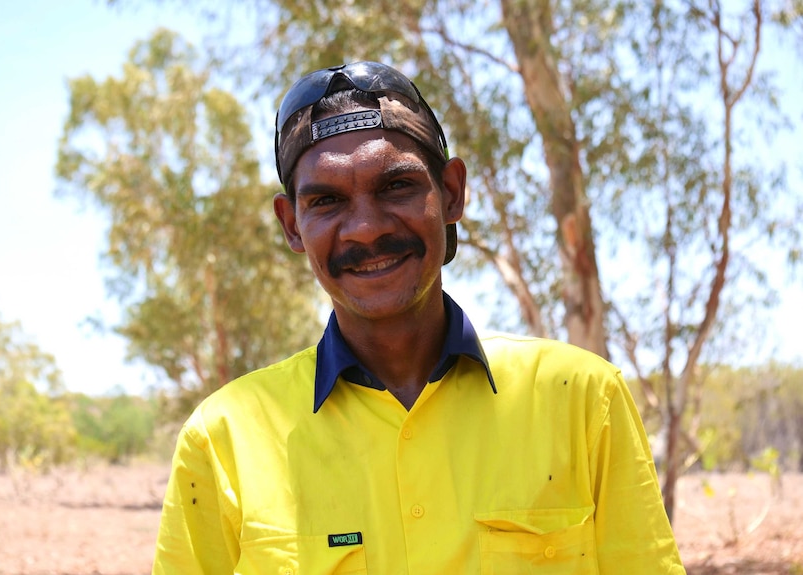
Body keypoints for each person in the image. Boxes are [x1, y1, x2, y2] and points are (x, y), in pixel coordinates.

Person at [153, 61, 686, 574]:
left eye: (396, 186)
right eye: (327, 201)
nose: (364, 229)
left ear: (451, 193)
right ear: (292, 225)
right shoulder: (223, 440)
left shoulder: (582, 401)